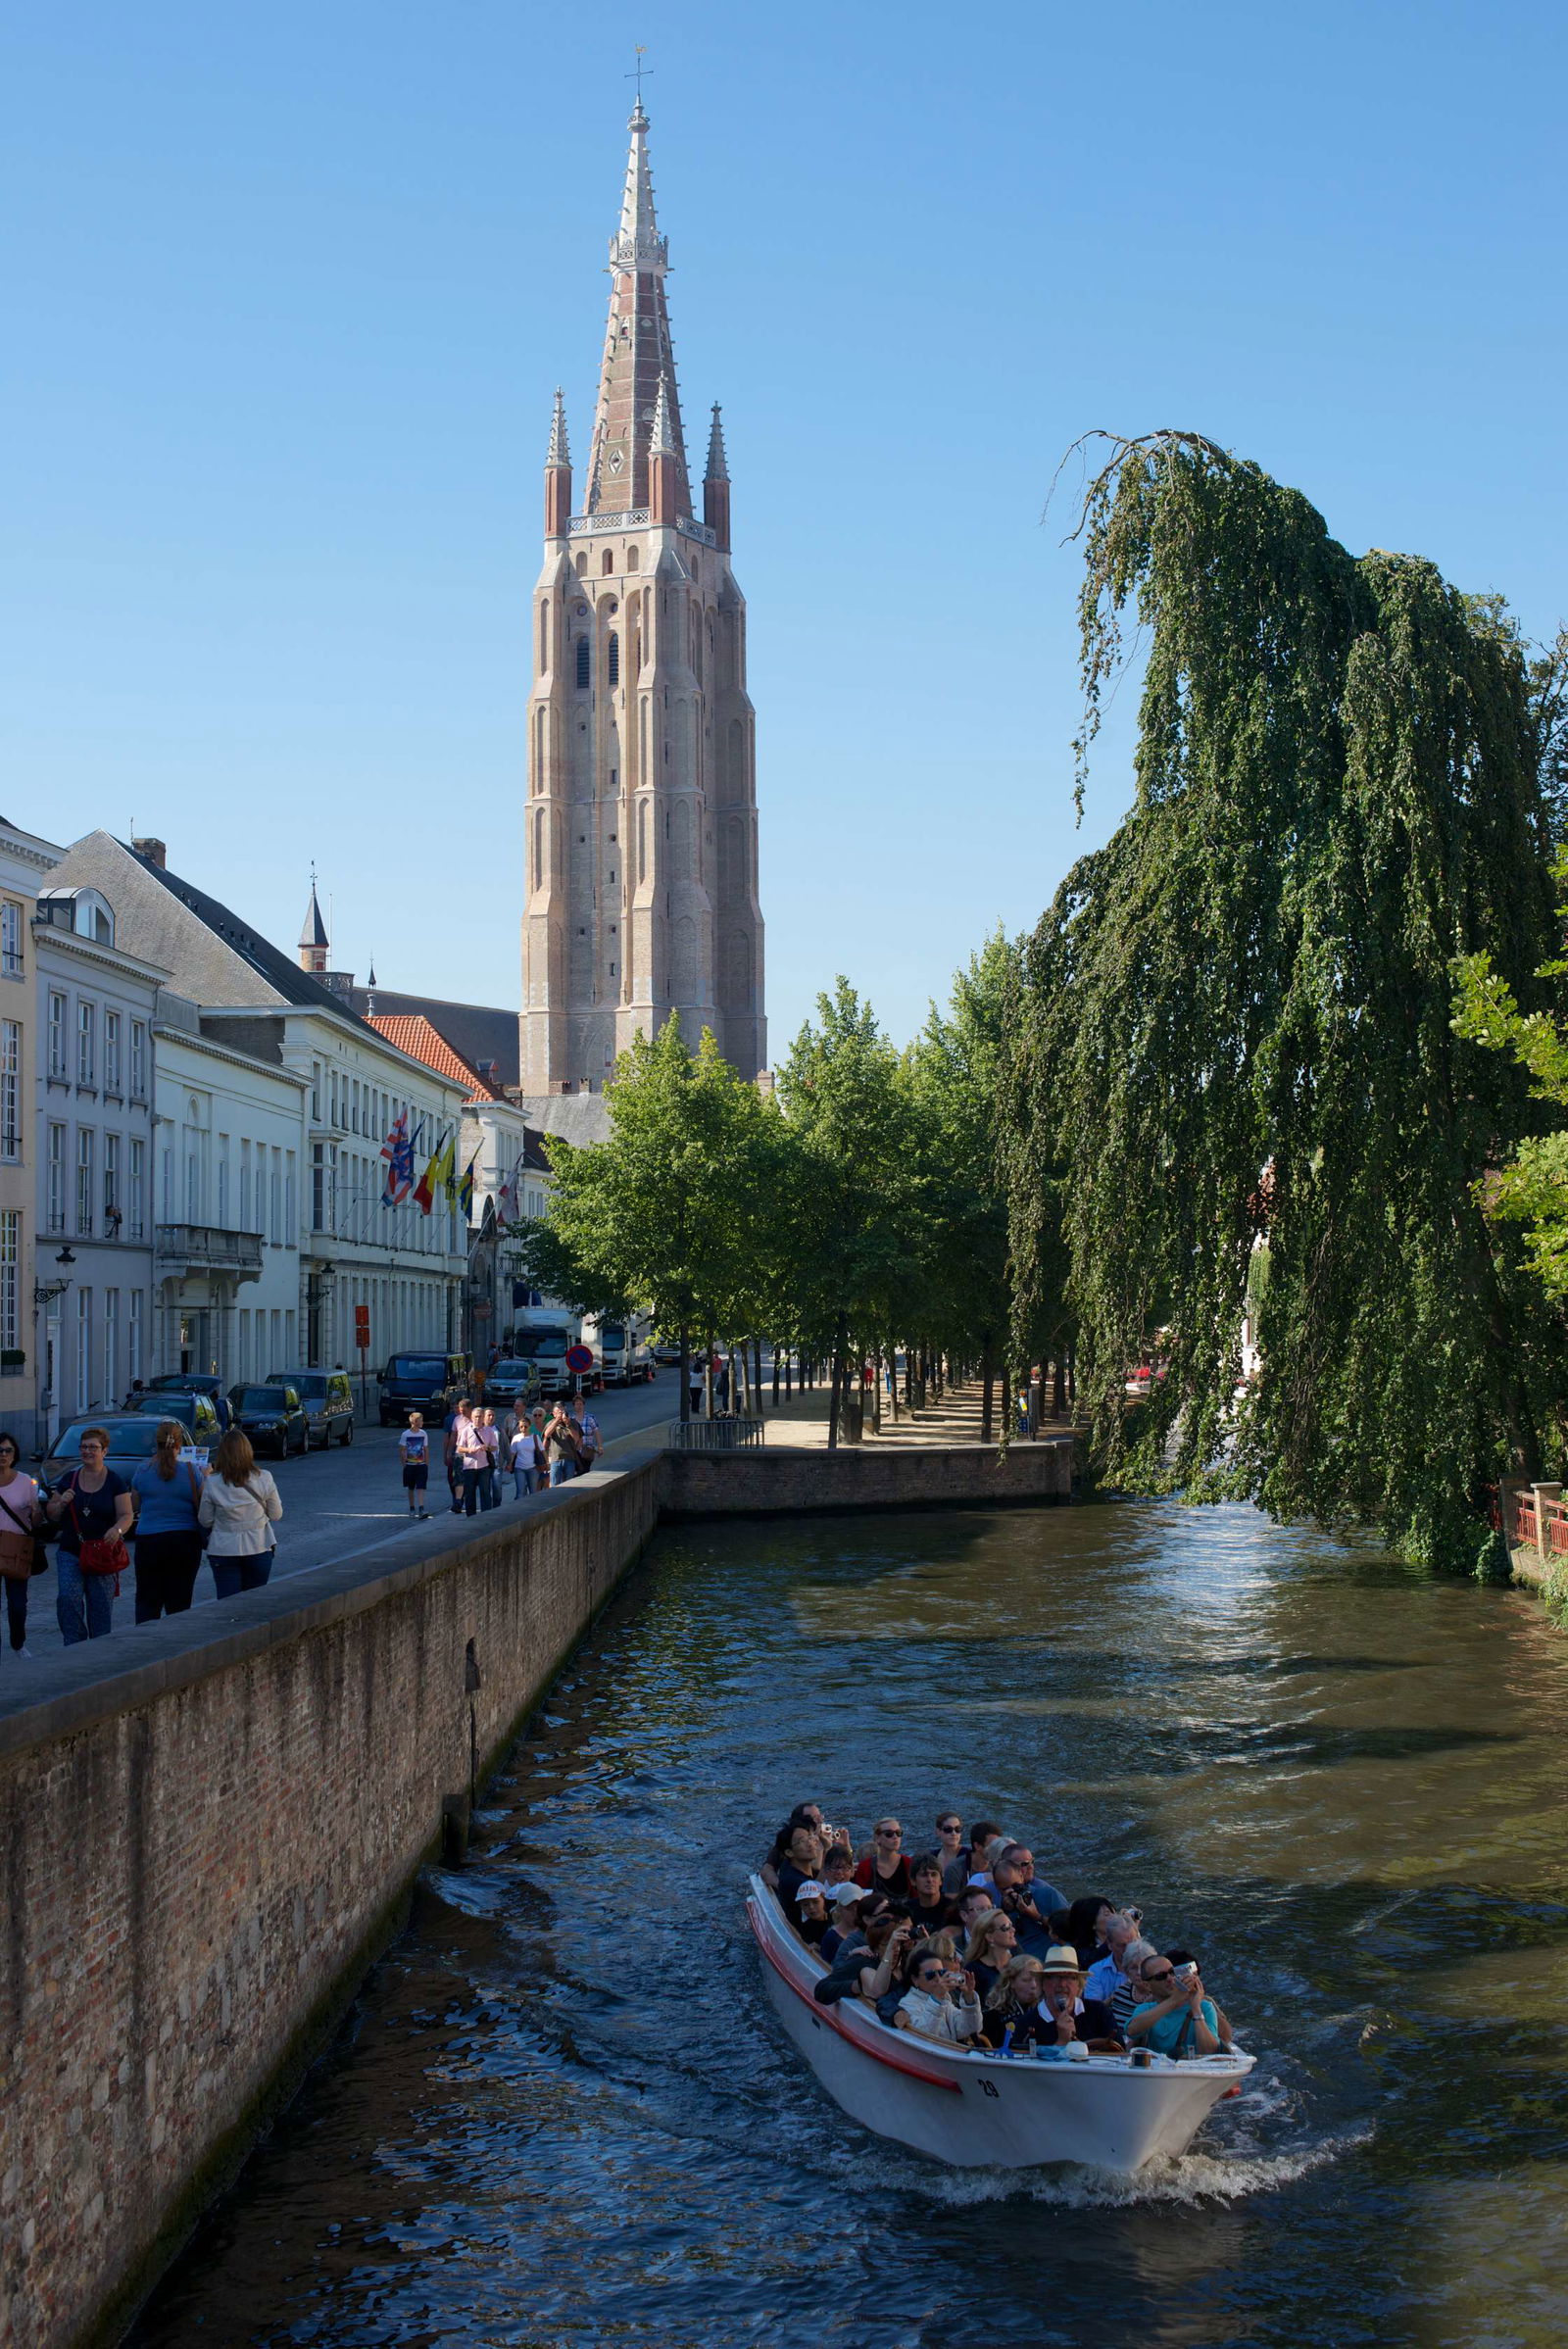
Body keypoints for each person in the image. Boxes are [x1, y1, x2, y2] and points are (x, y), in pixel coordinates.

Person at [44, 1426, 134, 1642]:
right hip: (71, 1551)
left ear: (104, 1451)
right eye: (83, 1447)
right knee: (68, 1600)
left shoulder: (114, 1481)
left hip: (102, 1553)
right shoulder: (69, 1479)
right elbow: (52, 1514)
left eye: (93, 1447)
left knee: (100, 1606)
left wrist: (117, 1529)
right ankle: (74, 1645)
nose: (87, 1451)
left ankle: (98, 1649)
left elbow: (126, 1514)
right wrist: (61, 1503)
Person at [128, 1420, 207, 1620]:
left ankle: (146, 1637)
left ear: (156, 1443)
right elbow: (203, 1505)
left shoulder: (142, 1471)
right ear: (180, 1444)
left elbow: (135, 1506)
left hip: (149, 1540)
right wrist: (207, 1477)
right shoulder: (191, 1471)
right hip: (184, 1540)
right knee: (180, 1601)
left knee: (147, 1600)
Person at [199, 1427, 283, 1597]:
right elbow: (276, 1514)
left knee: (228, 1603)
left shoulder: (212, 1482)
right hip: (258, 1545)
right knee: (253, 1602)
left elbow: (205, 1520)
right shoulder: (264, 1477)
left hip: (223, 1549)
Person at [1127, 1951, 1233, 2056]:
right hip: (1160, 2066)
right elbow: (1132, 2031)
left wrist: (1196, 2009)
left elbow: (1210, 2052)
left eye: (1172, 1972)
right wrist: (1174, 2000)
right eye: (1161, 1976)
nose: (1169, 1978)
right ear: (1147, 1985)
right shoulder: (1146, 2008)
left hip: (1195, 2066)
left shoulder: (1204, 2006)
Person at [1033, 1943, 1124, 2053]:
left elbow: (1121, 2053)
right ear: (1043, 1984)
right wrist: (1062, 2042)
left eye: (1069, 1977)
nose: (1062, 1984)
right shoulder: (1029, 2021)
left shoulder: (1099, 2012)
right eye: (1054, 1977)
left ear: (1079, 1985)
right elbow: (1022, 2061)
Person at [0, 1432, 42, 1658]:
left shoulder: (25, 1481)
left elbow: (36, 1521)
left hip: (17, 1549)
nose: (3, 1455)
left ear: (15, 1454)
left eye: (8, 1450)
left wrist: (36, 1512)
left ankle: (18, 1643)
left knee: (17, 1604)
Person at [894, 1951, 983, 2046]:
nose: (938, 1978)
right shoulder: (907, 2003)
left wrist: (969, 1997)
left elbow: (971, 2029)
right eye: (930, 1975)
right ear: (915, 1980)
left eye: (941, 1972)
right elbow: (922, 2039)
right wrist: (936, 1999)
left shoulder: (945, 2001)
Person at [994, 1846, 1068, 1956]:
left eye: (1015, 1886)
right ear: (998, 1888)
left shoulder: (1048, 1894)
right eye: (1005, 1889)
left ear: (1021, 1876)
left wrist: (1036, 1916)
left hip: (1052, 1959)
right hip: (1019, 1962)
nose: (1012, 1892)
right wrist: (1005, 1912)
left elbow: (1070, 1929)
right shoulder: (998, 1907)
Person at [982, 1956, 1053, 2050]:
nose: (1034, 1985)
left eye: (1037, 1980)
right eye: (1026, 1980)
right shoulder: (993, 2014)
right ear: (1011, 1982)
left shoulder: (1047, 2011)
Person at [1084, 1912, 1145, 2006]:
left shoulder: (1151, 1965)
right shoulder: (1095, 1971)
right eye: (1122, 1945)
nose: (1129, 1949)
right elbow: (1093, 2010)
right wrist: (1120, 1994)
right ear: (1109, 1944)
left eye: (1132, 1943)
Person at [963, 1907, 1019, 2002]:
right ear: (990, 1937)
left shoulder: (1019, 1962)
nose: (1013, 1930)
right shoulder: (973, 1970)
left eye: (1011, 1925)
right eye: (1006, 1927)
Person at [854, 1818, 912, 1906]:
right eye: (889, 1834)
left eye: (898, 1833)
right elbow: (863, 1902)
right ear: (877, 1838)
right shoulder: (865, 1867)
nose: (895, 1837)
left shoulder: (909, 1863)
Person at [1108, 1937, 1159, 2035]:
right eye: (1134, 1968)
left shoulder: (1160, 1995)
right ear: (1127, 1971)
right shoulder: (1120, 1993)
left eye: (1143, 1967)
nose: (1139, 1972)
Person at [1063, 1893, 1119, 1972]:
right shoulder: (1081, 1950)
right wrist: (1116, 1936)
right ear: (1092, 1924)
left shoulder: (1124, 1940)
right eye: (1107, 1914)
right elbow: (1092, 1960)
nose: (1115, 1917)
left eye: (1114, 1913)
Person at [905, 1855, 952, 1936]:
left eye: (934, 1874)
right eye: (924, 1875)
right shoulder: (906, 1910)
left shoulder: (953, 1909)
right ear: (913, 1881)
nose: (930, 1880)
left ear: (941, 1880)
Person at [455, 1407, 490, 1515]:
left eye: (480, 1417)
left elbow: (494, 1447)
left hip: (484, 1466)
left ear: (483, 1418)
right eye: (476, 1417)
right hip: (469, 1467)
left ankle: (486, 1515)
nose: (478, 1419)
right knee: (469, 1493)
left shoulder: (489, 1431)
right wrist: (470, 1450)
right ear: (472, 1417)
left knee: (485, 1492)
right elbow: (459, 1448)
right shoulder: (466, 1431)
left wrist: (487, 1448)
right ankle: (471, 1517)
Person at [398, 1412, 430, 1518]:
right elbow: (402, 1449)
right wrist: (404, 1463)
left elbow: (426, 1448)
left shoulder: (423, 1433)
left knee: (421, 1486)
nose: (423, 1422)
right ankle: (412, 1507)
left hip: (421, 1464)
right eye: (421, 1420)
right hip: (410, 1464)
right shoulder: (405, 1434)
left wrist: (426, 1463)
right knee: (411, 1487)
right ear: (415, 1422)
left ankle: (421, 1508)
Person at [543, 1402, 581, 1487]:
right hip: (555, 1459)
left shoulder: (572, 1422)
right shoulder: (550, 1423)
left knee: (569, 1485)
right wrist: (557, 1420)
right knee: (555, 1486)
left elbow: (577, 1438)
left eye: (562, 1411)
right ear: (553, 1414)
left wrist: (568, 1424)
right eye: (558, 1412)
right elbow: (547, 1434)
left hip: (570, 1458)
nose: (560, 1414)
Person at [444, 1400, 470, 1513]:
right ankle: (458, 1501)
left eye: (463, 1410)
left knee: (468, 1480)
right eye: (460, 1410)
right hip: (459, 1453)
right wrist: (448, 1452)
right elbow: (452, 1437)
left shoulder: (475, 1419)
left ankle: (464, 1501)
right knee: (457, 1478)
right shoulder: (456, 1420)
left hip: (473, 1455)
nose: (461, 1412)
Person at [936, 1812, 971, 1897]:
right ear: (938, 1831)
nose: (954, 1833)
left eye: (958, 1829)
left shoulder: (969, 1855)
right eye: (948, 1829)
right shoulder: (932, 1856)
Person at [508, 1414, 542, 1498]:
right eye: (521, 1427)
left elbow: (542, 1451)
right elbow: (513, 1453)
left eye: (525, 1426)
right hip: (519, 1468)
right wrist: (510, 1464)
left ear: (530, 1426)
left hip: (533, 1468)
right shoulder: (516, 1438)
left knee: (533, 1492)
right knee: (520, 1492)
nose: (523, 1429)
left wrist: (546, 1463)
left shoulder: (535, 1437)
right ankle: (519, 1506)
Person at [568, 1392, 602, 1472]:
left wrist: (600, 1447)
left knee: (585, 1470)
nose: (579, 1406)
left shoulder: (590, 1418)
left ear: (583, 1405)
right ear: (574, 1406)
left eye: (581, 1404)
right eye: (577, 1404)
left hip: (587, 1451)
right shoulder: (571, 1419)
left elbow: (596, 1432)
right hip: (575, 1452)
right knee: (577, 1471)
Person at [793, 1882, 830, 1949]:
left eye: (815, 1902)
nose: (811, 1907)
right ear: (800, 1906)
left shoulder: (836, 1919)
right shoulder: (805, 1929)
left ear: (824, 1899)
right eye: (805, 1904)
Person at [477, 1408, 502, 1509]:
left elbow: (505, 1445)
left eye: (493, 1415)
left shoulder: (498, 1430)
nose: (491, 1417)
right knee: (485, 1489)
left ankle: (496, 1508)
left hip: (496, 1464)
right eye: (489, 1415)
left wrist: (509, 1461)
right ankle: (486, 1510)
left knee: (497, 1489)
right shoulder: (479, 1430)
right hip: (484, 1464)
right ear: (484, 1417)